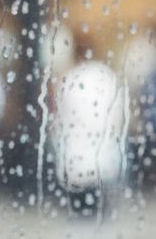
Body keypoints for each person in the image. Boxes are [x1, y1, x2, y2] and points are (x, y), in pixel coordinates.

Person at [51, 35, 128, 213]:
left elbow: (60, 116)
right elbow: (118, 115)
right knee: (101, 214)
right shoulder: (107, 76)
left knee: (78, 210)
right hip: (103, 153)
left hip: (75, 155)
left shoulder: (69, 78)